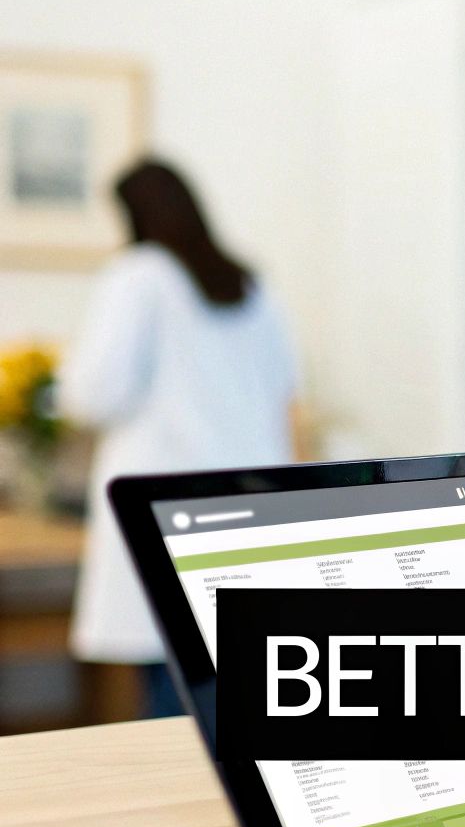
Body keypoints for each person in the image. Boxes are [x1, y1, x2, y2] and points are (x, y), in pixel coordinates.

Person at [60, 159, 296, 718]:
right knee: (232, 684)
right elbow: (286, 390)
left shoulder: (138, 276)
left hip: (166, 505)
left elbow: (91, 393)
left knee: (174, 696)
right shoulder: (248, 283)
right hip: (252, 505)